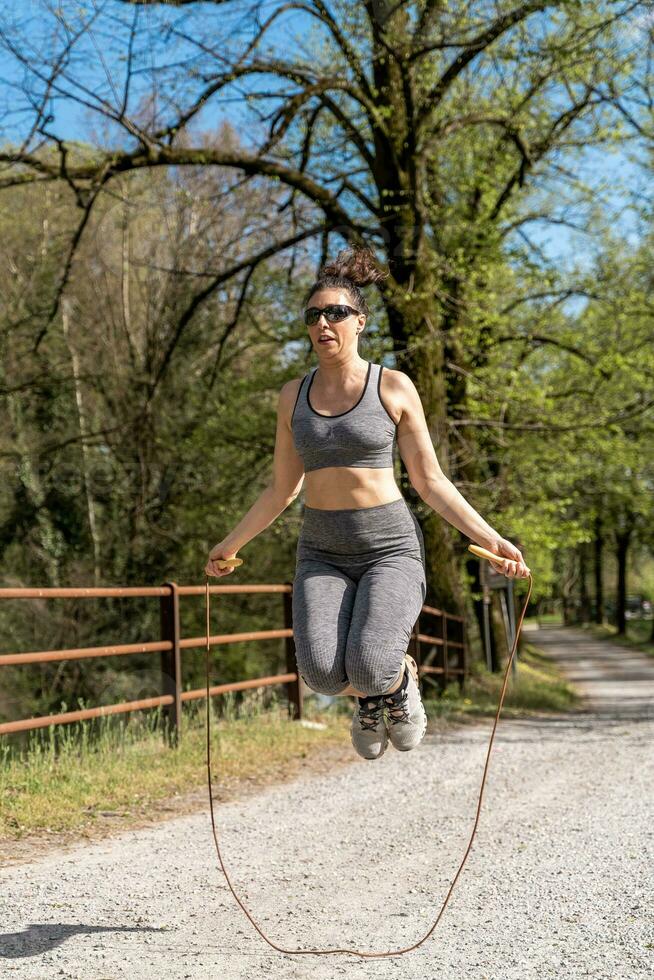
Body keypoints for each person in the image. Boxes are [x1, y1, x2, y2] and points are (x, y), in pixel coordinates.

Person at [206, 245, 530, 761]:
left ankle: (394, 683)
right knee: (319, 672)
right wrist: (228, 544)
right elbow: (282, 488)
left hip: (389, 549)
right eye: (314, 315)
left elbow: (431, 481)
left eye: (335, 312)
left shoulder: (393, 385)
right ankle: (370, 697)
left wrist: (492, 540)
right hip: (321, 551)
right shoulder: (293, 395)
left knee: (371, 663)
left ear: (359, 321)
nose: (323, 323)